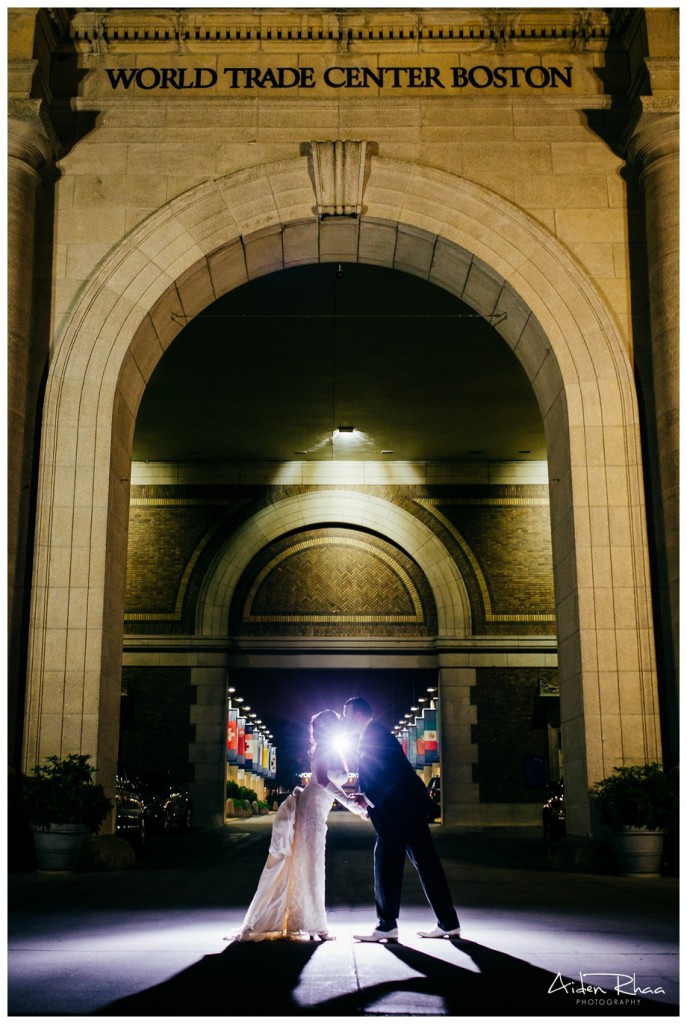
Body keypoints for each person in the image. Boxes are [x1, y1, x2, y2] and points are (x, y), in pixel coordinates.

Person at [228, 708, 367, 942]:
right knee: (312, 865)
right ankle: (316, 926)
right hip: (311, 810)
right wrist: (352, 805)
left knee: (314, 865)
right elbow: (323, 781)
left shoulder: (331, 750)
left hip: (318, 811)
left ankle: (310, 922)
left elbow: (333, 783)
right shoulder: (323, 750)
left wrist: (353, 802)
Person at [342, 696, 461, 943]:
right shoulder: (375, 733)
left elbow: (389, 773)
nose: (344, 720)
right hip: (408, 808)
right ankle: (448, 922)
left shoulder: (374, 734)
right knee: (426, 862)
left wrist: (368, 797)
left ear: (359, 715)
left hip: (397, 811)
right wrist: (369, 796)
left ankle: (386, 925)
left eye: (346, 715)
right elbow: (390, 771)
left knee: (386, 860)